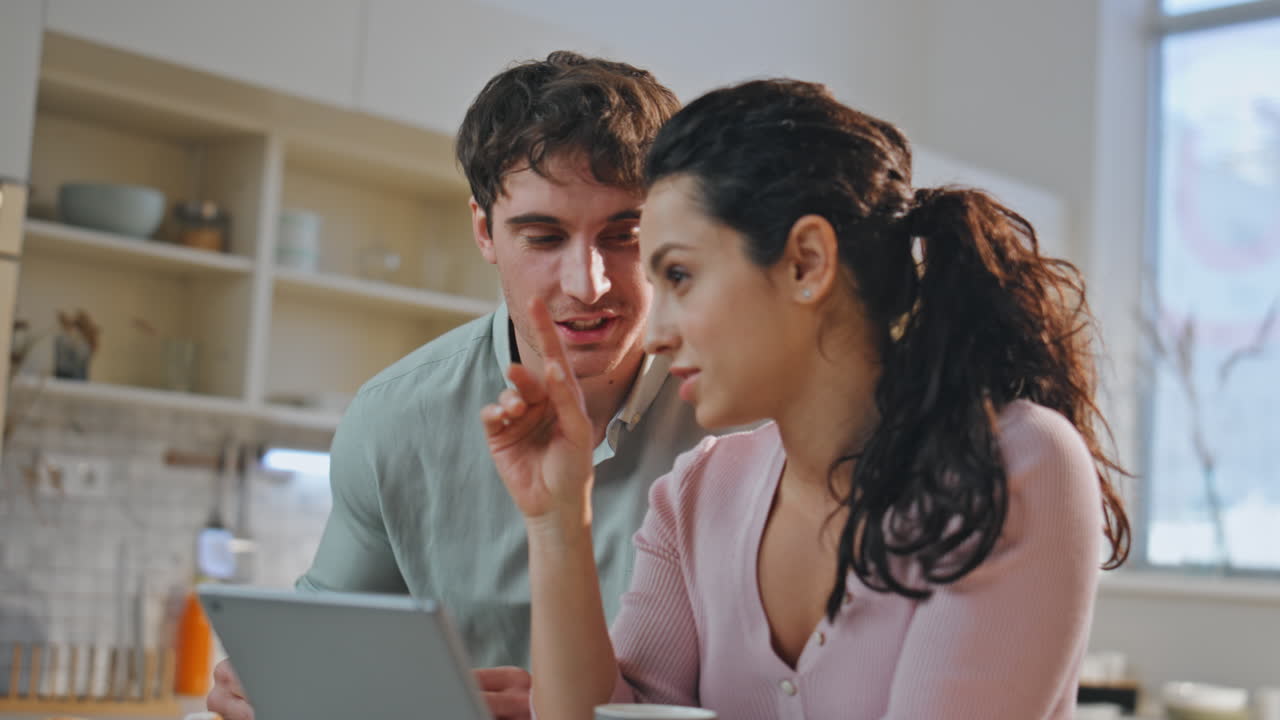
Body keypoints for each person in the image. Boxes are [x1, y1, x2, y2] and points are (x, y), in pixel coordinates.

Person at [483, 79, 1133, 720]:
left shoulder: (1016, 463)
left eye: (680, 275)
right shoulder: (698, 494)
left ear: (806, 263)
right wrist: (558, 522)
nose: (655, 333)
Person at [207, 52, 709, 720]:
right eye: (543, 236)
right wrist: (271, 685)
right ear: (484, 231)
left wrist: (580, 706)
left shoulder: (746, 416)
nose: (587, 285)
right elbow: (329, 650)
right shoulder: (394, 420)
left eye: (626, 234)